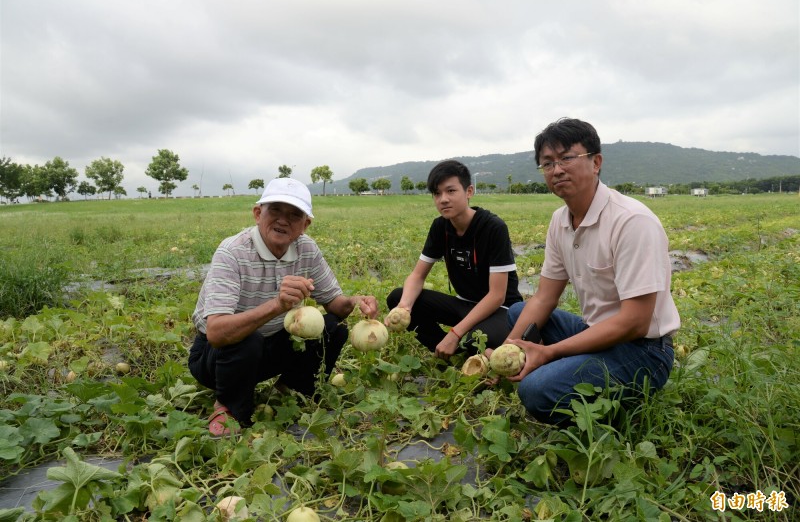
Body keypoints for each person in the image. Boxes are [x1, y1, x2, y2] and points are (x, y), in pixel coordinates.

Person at [492, 118, 680, 424]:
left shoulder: (632, 221)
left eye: (567, 158)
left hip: (644, 351)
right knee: (519, 313)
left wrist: (551, 352)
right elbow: (544, 298)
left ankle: (564, 376)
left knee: (535, 391)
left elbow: (634, 322)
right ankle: (560, 365)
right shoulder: (560, 220)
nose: (557, 170)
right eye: (547, 163)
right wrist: (507, 352)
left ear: (596, 162)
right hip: (597, 333)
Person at [190, 177, 378, 435]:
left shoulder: (306, 249)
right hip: (219, 358)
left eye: (294, 214)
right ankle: (228, 406)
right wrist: (277, 305)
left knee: (333, 327)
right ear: (258, 213)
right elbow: (217, 333)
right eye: (275, 210)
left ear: (305, 225)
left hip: (268, 349)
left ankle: (289, 390)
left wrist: (357, 302)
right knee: (247, 339)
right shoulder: (232, 252)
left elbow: (336, 305)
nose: (282, 220)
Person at [386, 160, 522, 359]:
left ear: (469, 191)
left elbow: (497, 296)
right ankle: (451, 353)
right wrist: (404, 307)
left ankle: (465, 349)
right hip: (464, 304)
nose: (443, 199)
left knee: (478, 338)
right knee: (397, 297)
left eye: (451, 191)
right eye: (437, 193)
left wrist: (456, 333)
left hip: (501, 310)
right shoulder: (440, 227)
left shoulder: (493, 227)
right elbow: (417, 275)